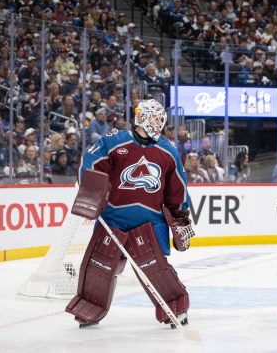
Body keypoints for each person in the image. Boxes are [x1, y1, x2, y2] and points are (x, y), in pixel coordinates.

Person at [66, 99, 194, 329]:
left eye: (160, 119)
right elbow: (90, 163)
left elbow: (177, 188)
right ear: (141, 117)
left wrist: (180, 214)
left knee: (154, 266)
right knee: (100, 264)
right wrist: (92, 197)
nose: (158, 123)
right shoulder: (115, 141)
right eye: (154, 117)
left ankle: (175, 306)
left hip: (150, 220)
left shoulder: (168, 151)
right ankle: (90, 308)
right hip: (113, 217)